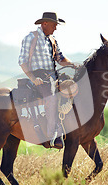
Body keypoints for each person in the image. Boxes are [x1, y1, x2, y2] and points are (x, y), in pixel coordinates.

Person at [18, 12, 77, 149]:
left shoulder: (52, 39)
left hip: (53, 74)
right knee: (52, 97)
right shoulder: (31, 38)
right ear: (44, 23)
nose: (55, 28)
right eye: (54, 25)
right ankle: (53, 135)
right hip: (39, 76)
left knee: (72, 87)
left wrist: (72, 64)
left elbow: (60, 58)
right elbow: (22, 61)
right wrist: (33, 78)